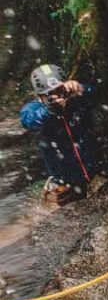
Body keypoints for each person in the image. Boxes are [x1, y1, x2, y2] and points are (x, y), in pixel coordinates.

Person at [20, 64, 97, 205]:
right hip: (67, 179)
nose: (56, 97)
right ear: (39, 95)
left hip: (94, 165)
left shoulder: (75, 99)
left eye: (59, 91)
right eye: (49, 94)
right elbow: (28, 120)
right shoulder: (34, 109)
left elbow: (97, 93)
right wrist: (50, 110)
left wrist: (81, 89)